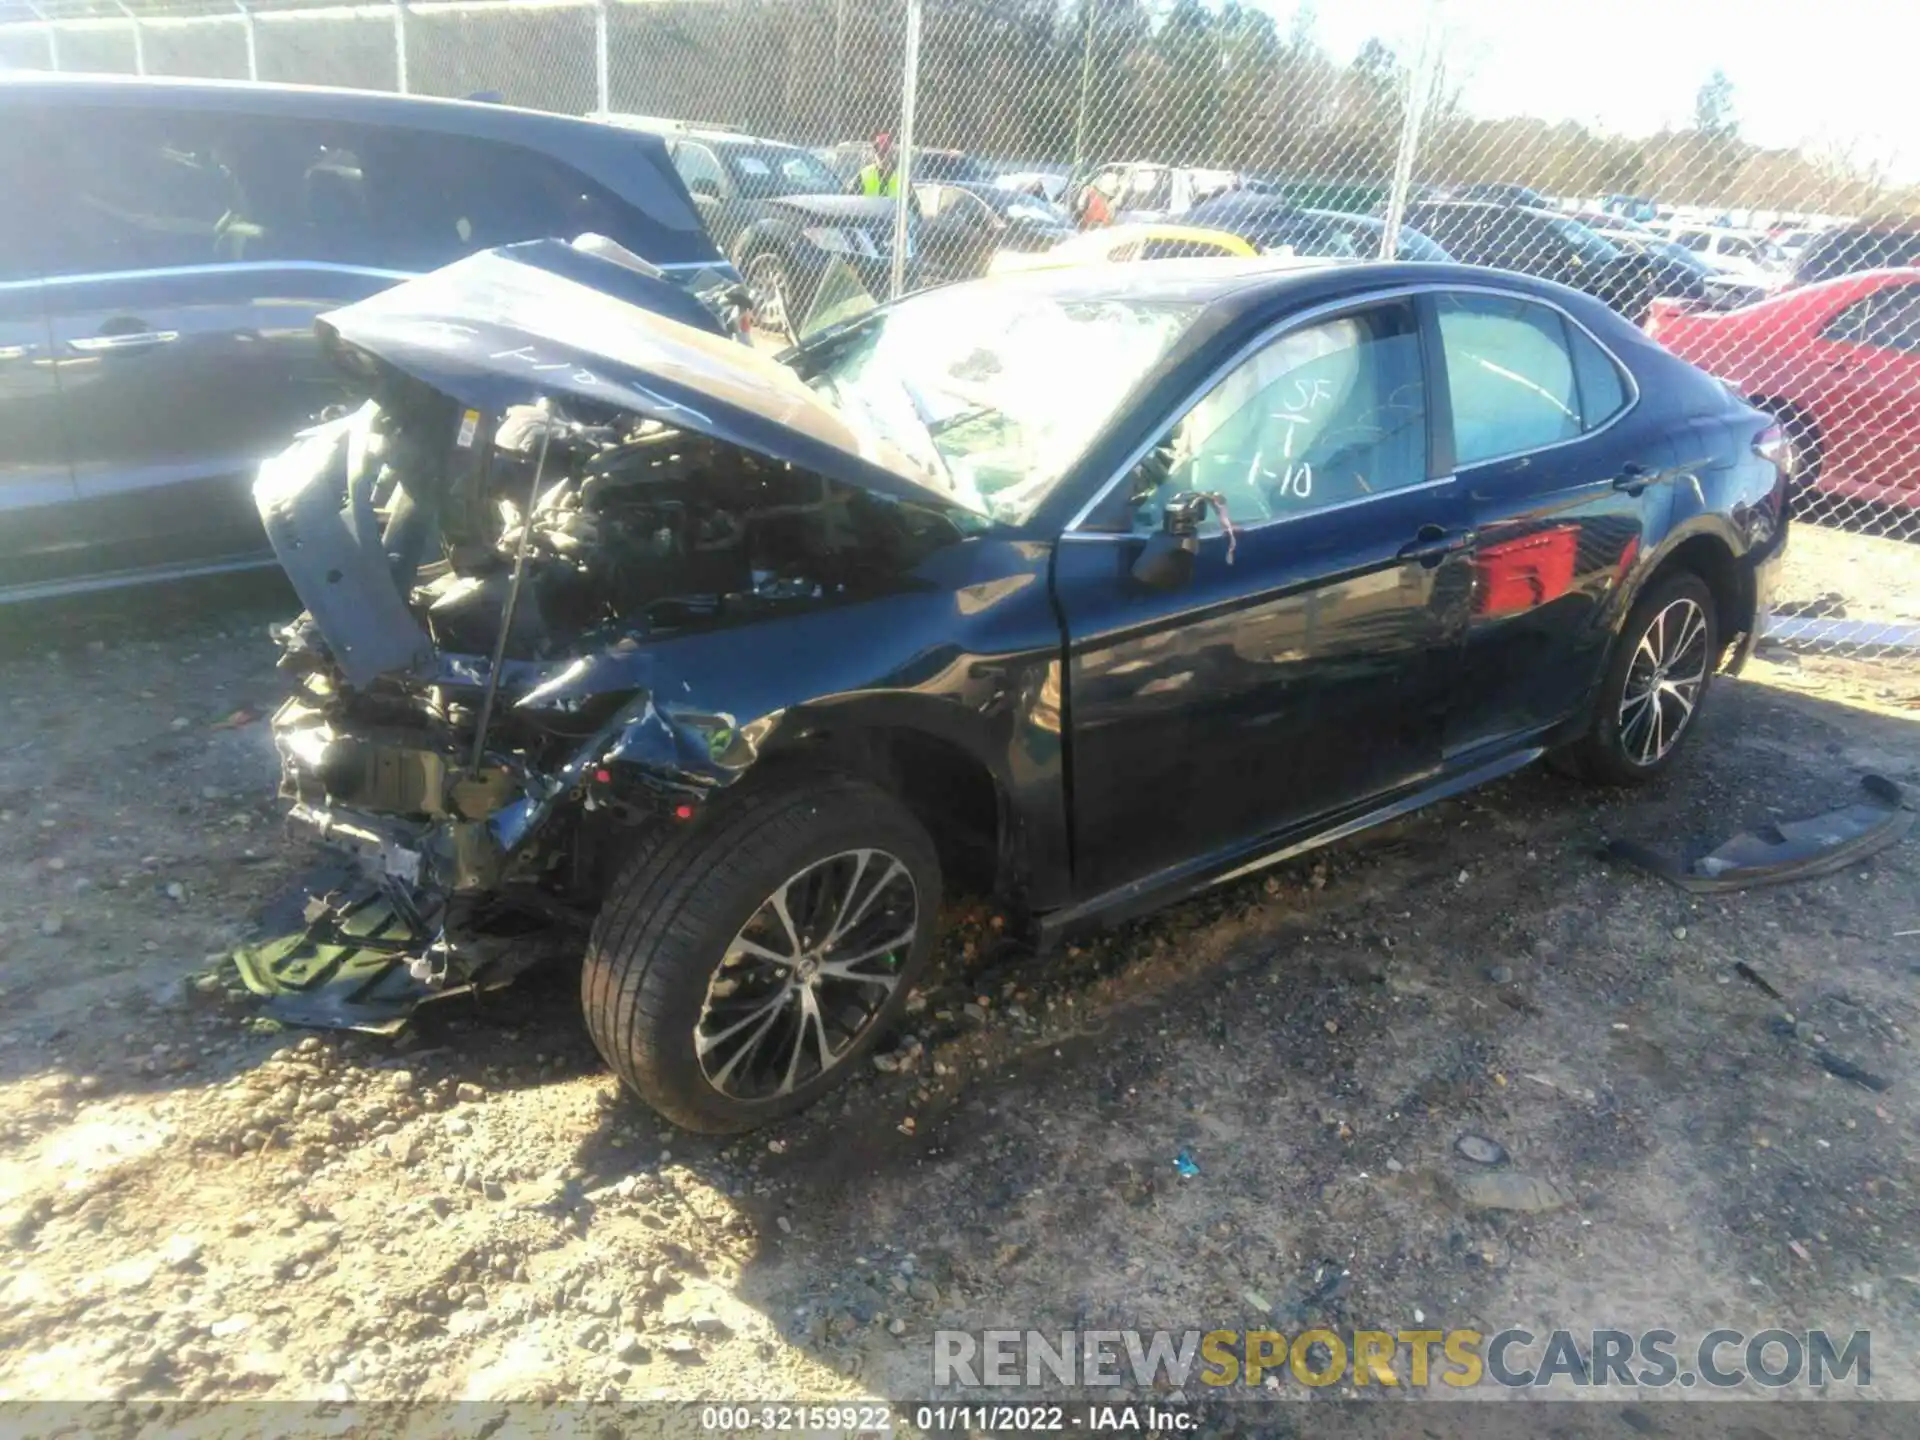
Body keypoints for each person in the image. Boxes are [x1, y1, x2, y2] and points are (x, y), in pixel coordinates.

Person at [855, 132, 901, 198]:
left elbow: (915, 206)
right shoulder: (864, 174)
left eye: (884, 151)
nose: (879, 155)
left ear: (892, 154)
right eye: (876, 151)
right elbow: (850, 201)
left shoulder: (901, 178)